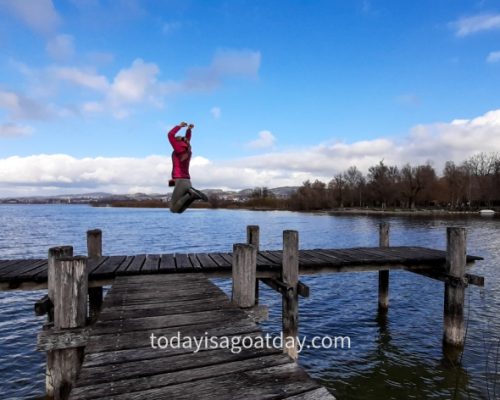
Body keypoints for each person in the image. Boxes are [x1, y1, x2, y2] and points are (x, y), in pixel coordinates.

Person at [168, 121, 208, 213]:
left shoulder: (178, 149)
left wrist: (179, 126)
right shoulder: (187, 149)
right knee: (179, 210)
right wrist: (189, 130)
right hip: (187, 181)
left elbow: (170, 135)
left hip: (180, 180)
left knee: (173, 209)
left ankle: (191, 195)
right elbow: (187, 139)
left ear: (178, 142)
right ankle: (192, 195)